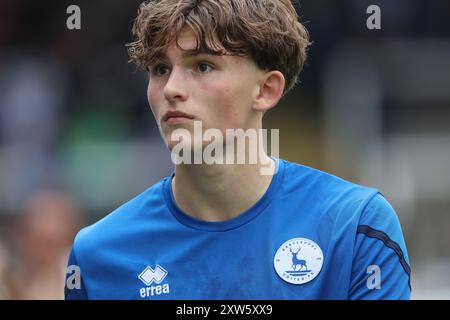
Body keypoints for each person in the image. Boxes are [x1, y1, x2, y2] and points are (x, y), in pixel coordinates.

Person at [65, 0, 411, 300]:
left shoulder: (354, 227)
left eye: (202, 65)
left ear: (266, 90)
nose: (171, 88)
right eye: (160, 69)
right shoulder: (98, 254)